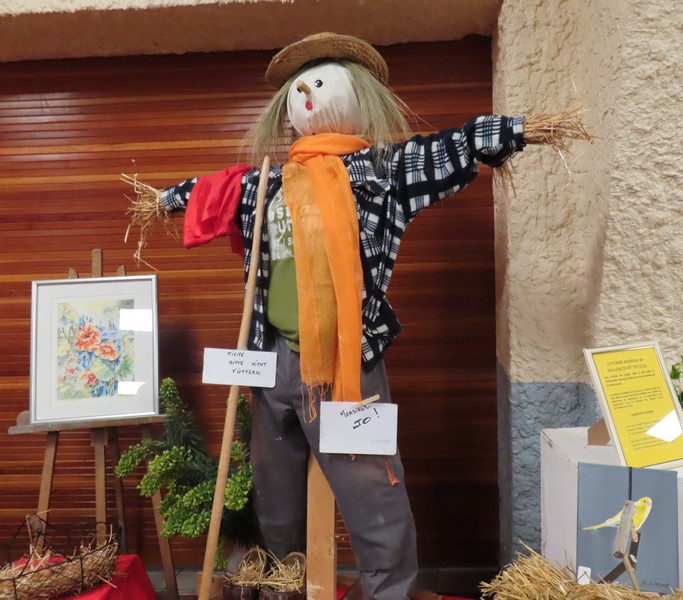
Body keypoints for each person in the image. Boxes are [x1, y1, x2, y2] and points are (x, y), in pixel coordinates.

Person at [128, 32, 589, 600]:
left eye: (320, 84)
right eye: (299, 91)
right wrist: (162, 200)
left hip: (345, 362)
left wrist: (516, 131)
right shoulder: (265, 184)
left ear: (355, 95)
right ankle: (280, 588)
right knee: (275, 498)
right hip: (270, 362)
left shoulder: (378, 173)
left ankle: (389, 592)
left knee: (373, 495)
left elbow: (448, 147)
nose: (307, 96)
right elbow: (205, 192)